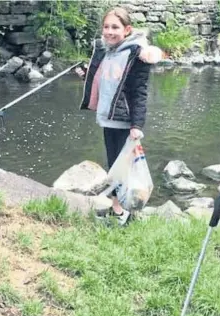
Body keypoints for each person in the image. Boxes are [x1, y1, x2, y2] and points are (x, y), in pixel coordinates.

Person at [76, 7, 162, 226]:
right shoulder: (108, 51)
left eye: (115, 27)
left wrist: (137, 125)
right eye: (106, 27)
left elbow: (139, 92)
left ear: (127, 29)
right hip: (108, 118)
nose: (109, 31)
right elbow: (107, 79)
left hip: (125, 122)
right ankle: (118, 209)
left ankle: (125, 212)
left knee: (124, 168)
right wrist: (87, 74)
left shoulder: (136, 55)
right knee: (114, 165)